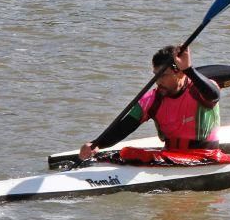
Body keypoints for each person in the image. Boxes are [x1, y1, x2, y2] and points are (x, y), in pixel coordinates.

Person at [79, 45, 221, 160]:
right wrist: (96, 143)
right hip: (171, 156)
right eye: (155, 76)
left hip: (206, 157)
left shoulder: (200, 90)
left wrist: (189, 69)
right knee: (127, 154)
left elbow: (214, 95)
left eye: (163, 75)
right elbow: (124, 127)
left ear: (180, 73)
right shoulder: (152, 100)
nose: (158, 82)